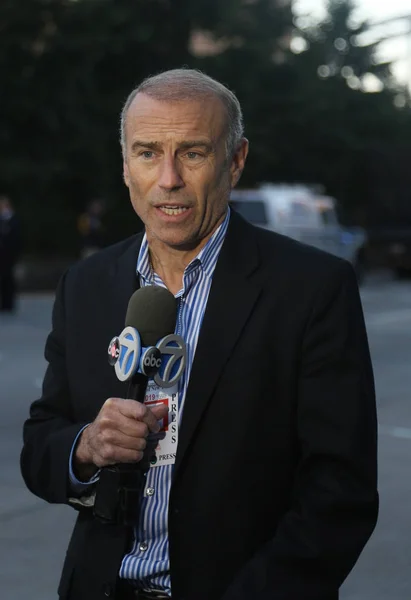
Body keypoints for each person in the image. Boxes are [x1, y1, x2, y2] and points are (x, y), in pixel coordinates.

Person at [20, 69, 378, 600]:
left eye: (192, 153)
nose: (167, 179)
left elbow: (339, 495)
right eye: (146, 153)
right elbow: (40, 446)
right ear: (124, 166)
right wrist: (86, 446)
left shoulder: (311, 289)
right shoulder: (88, 285)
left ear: (235, 161)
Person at [0, 195, 21, 312]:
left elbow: (17, 239)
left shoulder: (14, 220)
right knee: (3, 280)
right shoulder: (1, 220)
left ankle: (9, 304)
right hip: (2, 256)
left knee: (10, 280)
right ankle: (3, 304)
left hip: (10, 255)